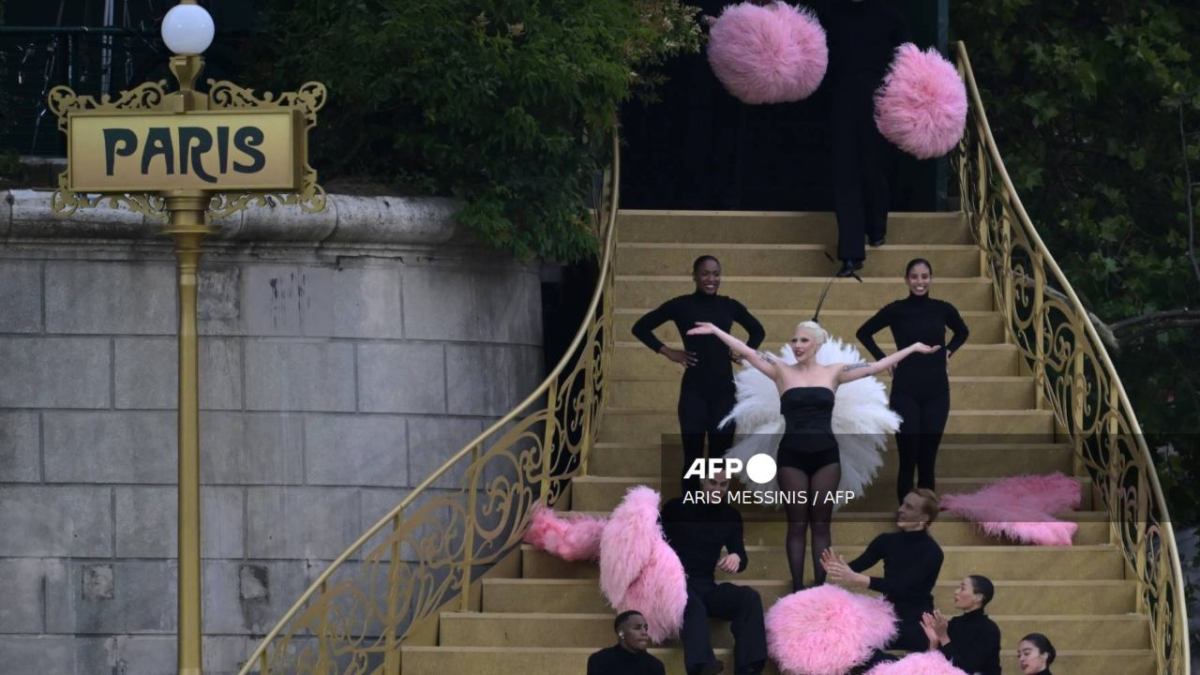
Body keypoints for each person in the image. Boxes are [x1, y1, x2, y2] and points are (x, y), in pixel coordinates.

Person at [687, 320, 938, 591]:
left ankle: (819, 588)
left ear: (817, 344)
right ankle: (797, 587)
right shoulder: (780, 371)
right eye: (794, 341)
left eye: (804, 340)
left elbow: (876, 367)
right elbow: (747, 352)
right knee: (796, 524)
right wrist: (716, 330)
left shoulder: (835, 372)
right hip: (791, 456)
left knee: (820, 524)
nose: (797, 346)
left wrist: (912, 347)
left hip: (826, 457)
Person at [633, 256, 766, 492]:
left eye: (716, 274)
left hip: (724, 391)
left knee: (719, 460)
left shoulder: (729, 305)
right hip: (694, 392)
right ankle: (689, 516)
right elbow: (640, 327)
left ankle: (714, 516)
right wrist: (667, 352)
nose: (711, 279)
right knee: (692, 457)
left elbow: (757, 331)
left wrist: (744, 354)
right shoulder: (681, 305)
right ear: (694, 276)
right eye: (705, 273)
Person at [856, 258, 969, 502]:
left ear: (931, 278)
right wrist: (886, 361)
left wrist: (948, 351)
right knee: (908, 456)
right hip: (905, 390)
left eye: (925, 276)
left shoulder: (943, 308)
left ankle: (925, 516)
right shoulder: (896, 310)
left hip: (937, 391)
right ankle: (906, 513)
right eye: (915, 277)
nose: (920, 281)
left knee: (927, 457)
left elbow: (963, 332)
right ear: (907, 280)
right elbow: (863, 333)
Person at [809, 0, 909, 277]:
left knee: (873, 168)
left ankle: (877, 227)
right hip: (840, 100)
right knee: (845, 175)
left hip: (880, 99)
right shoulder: (830, 13)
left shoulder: (890, 15)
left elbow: (906, 60)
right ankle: (851, 255)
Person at [661, 472, 767, 675]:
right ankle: (702, 666)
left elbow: (741, 556)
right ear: (702, 481)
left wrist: (736, 556)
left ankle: (749, 667)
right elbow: (654, 543)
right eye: (712, 483)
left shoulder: (730, 516)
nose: (717, 489)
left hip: (706, 584)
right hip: (673, 583)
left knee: (748, 597)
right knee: (693, 605)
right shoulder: (676, 508)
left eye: (723, 485)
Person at [822, 489, 944, 652]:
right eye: (902, 504)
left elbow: (902, 588)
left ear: (924, 518)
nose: (900, 509)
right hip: (885, 612)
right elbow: (856, 566)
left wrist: (857, 579)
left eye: (909, 507)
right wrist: (836, 567)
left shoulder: (932, 552)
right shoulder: (886, 540)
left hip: (915, 619)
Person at [921, 575, 1002, 675]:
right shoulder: (954, 624)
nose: (956, 592)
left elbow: (965, 669)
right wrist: (934, 642)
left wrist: (943, 637)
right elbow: (936, 665)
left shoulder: (988, 629)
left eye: (963, 588)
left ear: (978, 597)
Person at [586, 610, 666, 675]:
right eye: (637, 628)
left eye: (645, 628)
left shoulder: (655, 665)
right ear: (621, 633)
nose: (644, 632)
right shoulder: (600, 660)